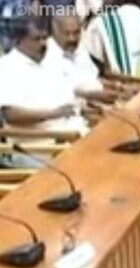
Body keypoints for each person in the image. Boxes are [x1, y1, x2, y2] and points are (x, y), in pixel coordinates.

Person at [0, 17, 86, 166]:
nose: (43, 43)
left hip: (73, 133)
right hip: (38, 145)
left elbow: (72, 99)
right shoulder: (8, 67)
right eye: (37, 39)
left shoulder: (51, 61)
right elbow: (11, 115)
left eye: (45, 38)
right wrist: (54, 113)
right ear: (20, 40)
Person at [44, 13, 124, 105]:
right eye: (67, 33)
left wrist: (117, 86)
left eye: (76, 33)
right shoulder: (47, 55)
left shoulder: (80, 48)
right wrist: (98, 95)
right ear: (55, 32)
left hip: (102, 100)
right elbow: (63, 92)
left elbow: (93, 78)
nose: (72, 38)